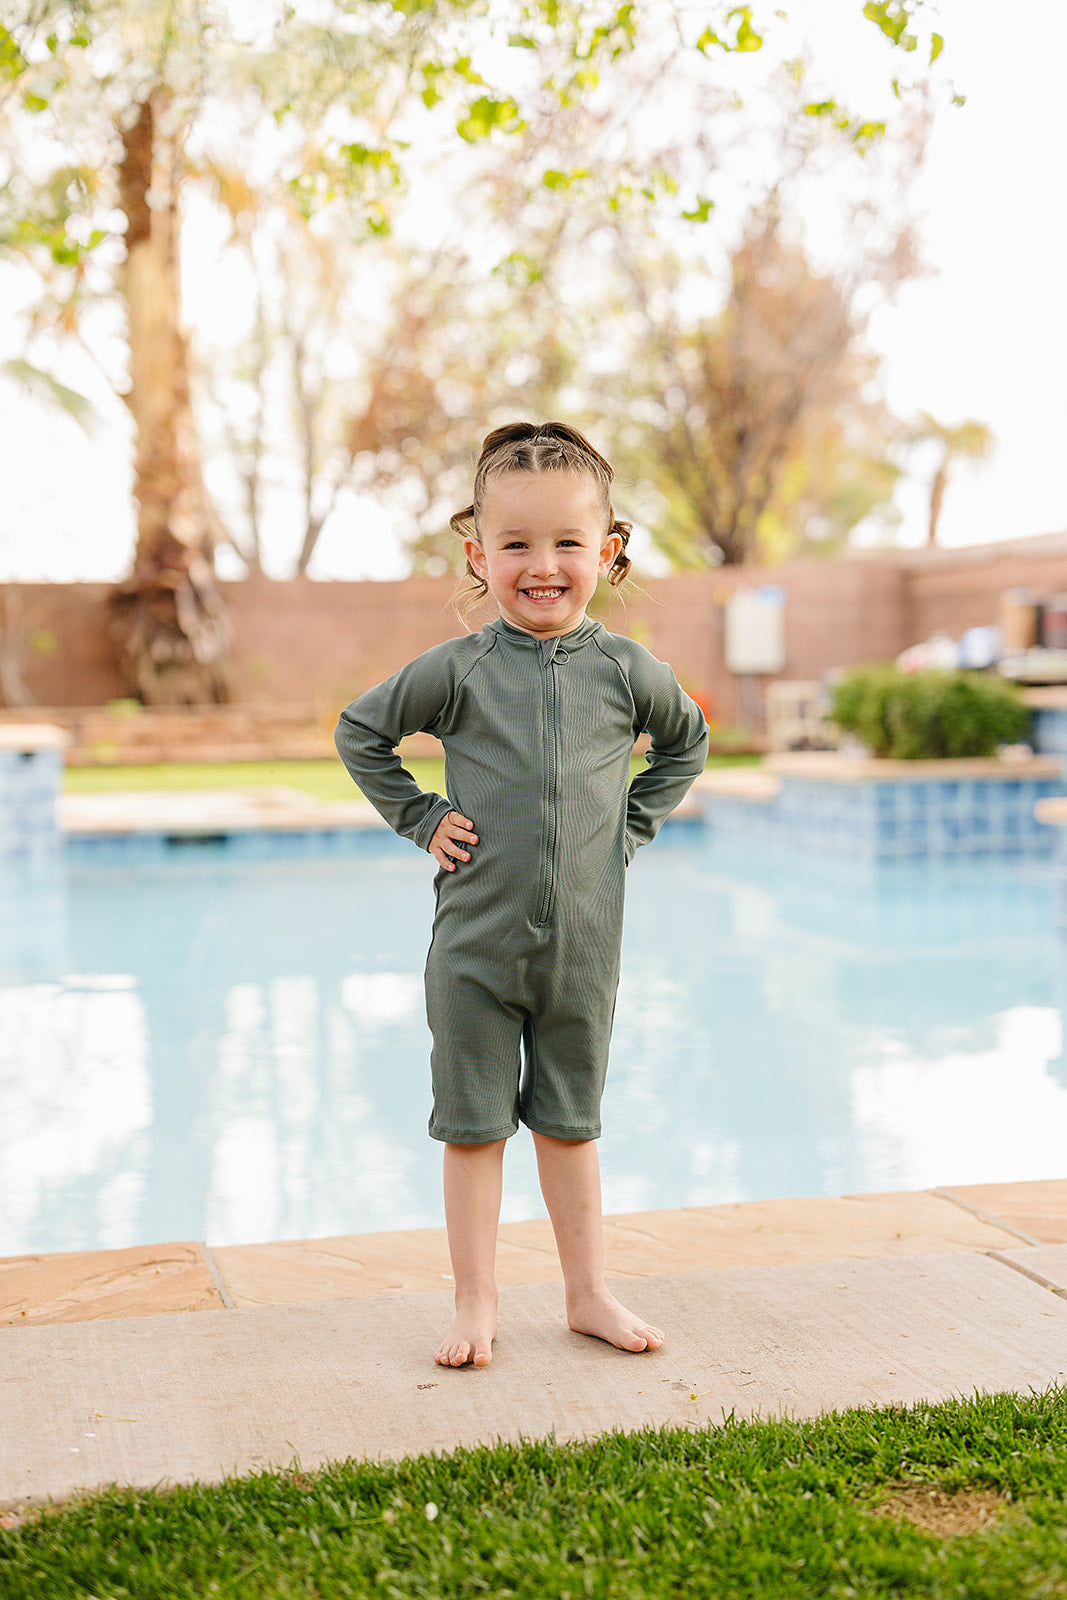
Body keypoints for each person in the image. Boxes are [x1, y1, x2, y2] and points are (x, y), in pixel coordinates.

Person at [335, 421, 708, 1368]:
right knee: (472, 1129)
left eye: (567, 543)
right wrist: (420, 818)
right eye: (515, 544)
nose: (541, 566)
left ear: (607, 554)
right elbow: (360, 732)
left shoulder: (628, 673)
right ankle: (476, 1304)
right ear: (478, 555)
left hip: (583, 953)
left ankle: (587, 1293)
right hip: (474, 956)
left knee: (569, 1125)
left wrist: (629, 825)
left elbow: (688, 743)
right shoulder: (456, 670)